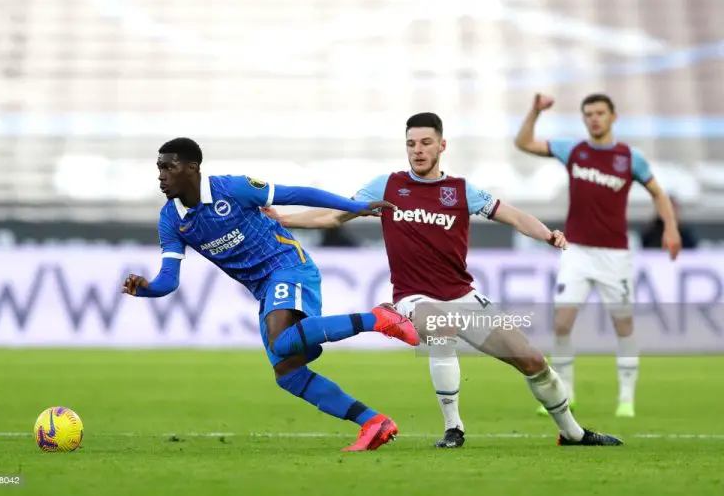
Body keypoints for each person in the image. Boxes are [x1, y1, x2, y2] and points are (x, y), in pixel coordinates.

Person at [263, 113, 623, 448]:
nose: (417, 151)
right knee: (441, 325)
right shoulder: (387, 186)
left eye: (425, 143)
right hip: (412, 297)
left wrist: (547, 235)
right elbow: (333, 216)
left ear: (441, 146)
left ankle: (572, 434)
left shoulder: (461, 191)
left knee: (532, 361)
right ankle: (454, 427)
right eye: (411, 144)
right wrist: (285, 219)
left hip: (463, 295)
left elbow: (512, 215)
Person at [121, 137, 421, 452]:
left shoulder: (233, 188)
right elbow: (169, 280)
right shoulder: (171, 219)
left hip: (289, 265)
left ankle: (378, 318)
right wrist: (146, 289)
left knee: (282, 340)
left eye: (169, 166)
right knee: (287, 373)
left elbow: (296, 193)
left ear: (192, 167)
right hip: (264, 289)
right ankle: (374, 422)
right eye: (159, 168)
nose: (161, 175)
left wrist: (354, 207)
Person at [514, 93, 682, 418]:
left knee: (623, 325)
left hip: (615, 255)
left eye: (600, 113)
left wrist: (670, 227)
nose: (594, 118)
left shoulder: (630, 158)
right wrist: (534, 111)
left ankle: (626, 399)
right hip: (576, 251)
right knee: (562, 323)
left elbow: (658, 193)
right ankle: (565, 392)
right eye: (589, 113)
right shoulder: (573, 150)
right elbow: (524, 143)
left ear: (613, 117)